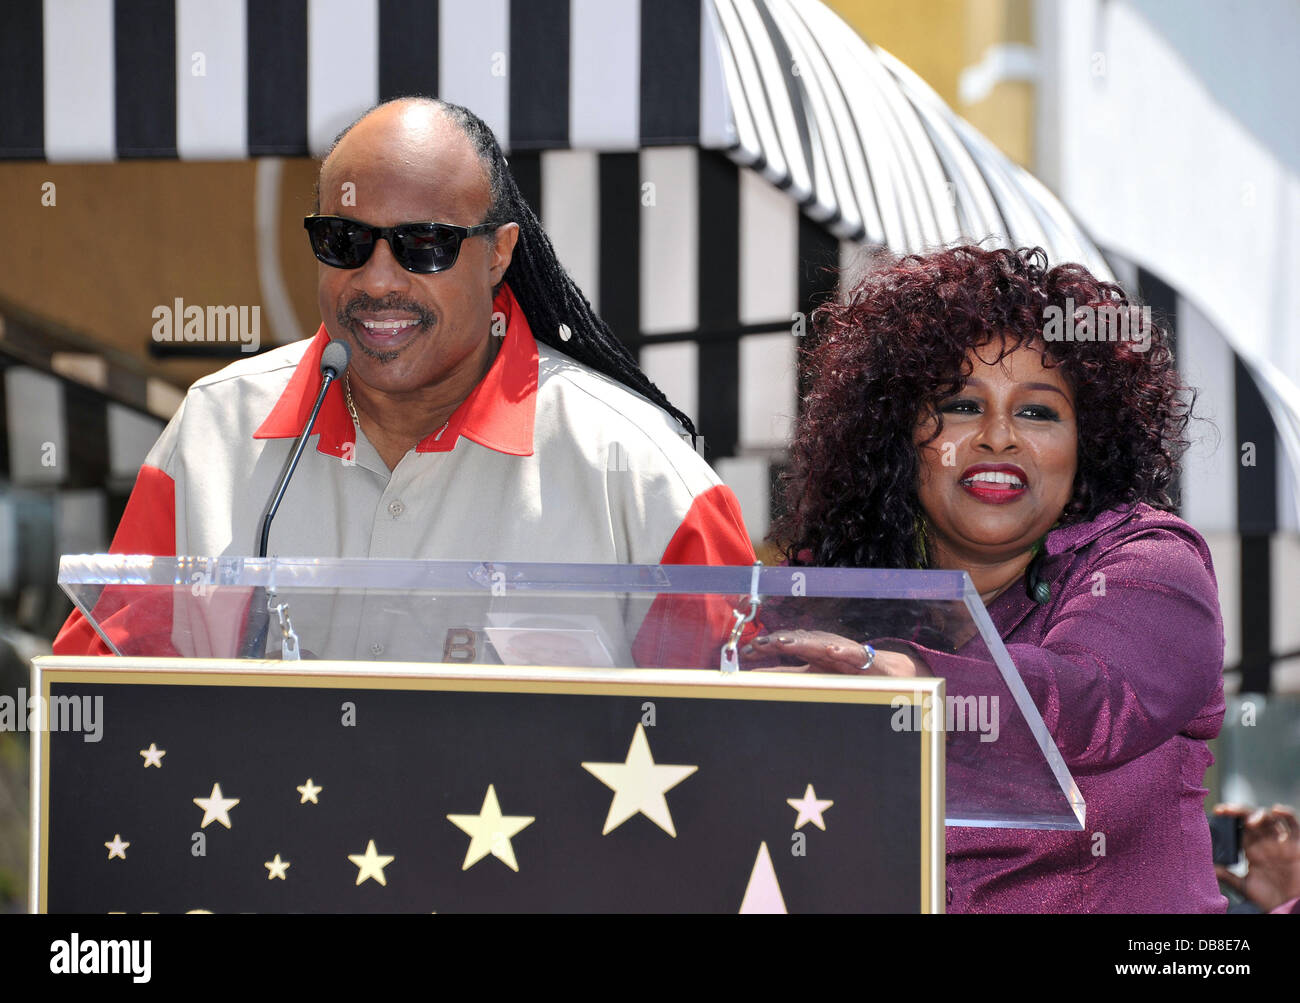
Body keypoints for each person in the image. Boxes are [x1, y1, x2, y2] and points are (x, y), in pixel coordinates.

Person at [53, 98, 754, 659]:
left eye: (425, 244)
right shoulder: (211, 431)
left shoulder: (641, 474)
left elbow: (738, 752)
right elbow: (104, 708)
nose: (378, 279)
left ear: (498, 254)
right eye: (344, 241)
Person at [745, 245, 1225, 913]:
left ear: (1087, 443)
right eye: (962, 404)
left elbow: (1088, 703)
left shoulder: (1150, 567)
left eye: (1037, 412)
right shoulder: (828, 595)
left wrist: (911, 686)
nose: (998, 436)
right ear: (897, 434)